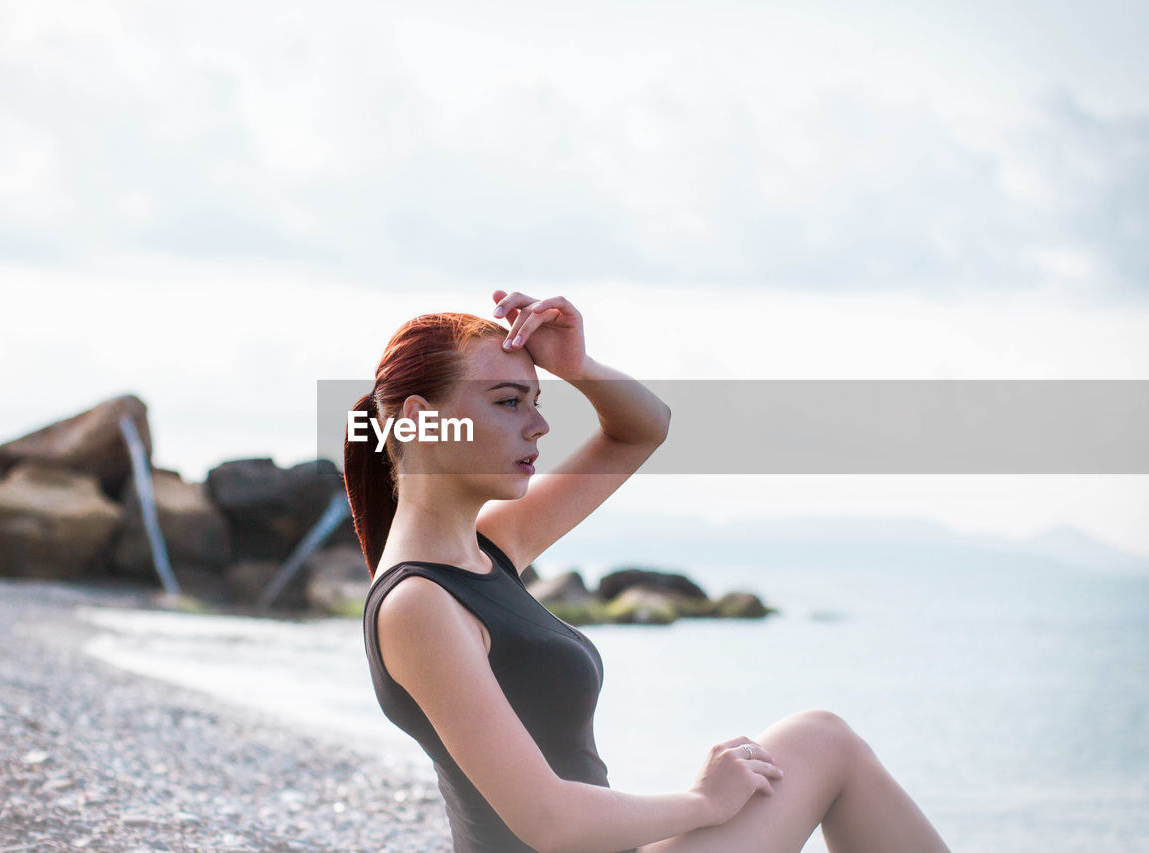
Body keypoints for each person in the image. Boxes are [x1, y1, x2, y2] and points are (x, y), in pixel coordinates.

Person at [345, 291, 951, 853]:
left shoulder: (486, 551)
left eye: (537, 401)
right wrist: (703, 802)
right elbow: (549, 822)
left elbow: (643, 429)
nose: (539, 426)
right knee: (825, 741)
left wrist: (576, 365)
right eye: (509, 402)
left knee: (822, 736)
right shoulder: (418, 603)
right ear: (420, 422)